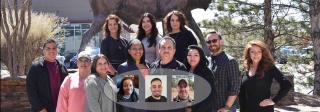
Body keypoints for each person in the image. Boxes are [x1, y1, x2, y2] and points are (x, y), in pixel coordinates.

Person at [239, 40, 292, 112]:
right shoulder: (245, 68)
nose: (256, 54)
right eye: (252, 52)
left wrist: (274, 100)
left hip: (264, 109)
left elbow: (287, 84)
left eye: (259, 52)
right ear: (248, 53)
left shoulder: (269, 67)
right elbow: (242, 94)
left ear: (262, 53)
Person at [27, 39, 68, 112]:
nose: (51, 51)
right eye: (48, 48)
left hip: (60, 108)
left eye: (54, 48)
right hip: (42, 109)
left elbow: (67, 89)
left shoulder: (62, 68)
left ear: (57, 50)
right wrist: (40, 108)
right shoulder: (36, 68)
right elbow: (31, 90)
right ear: (43, 50)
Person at [206, 31, 241, 112]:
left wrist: (227, 107)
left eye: (214, 40)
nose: (212, 43)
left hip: (226, 109)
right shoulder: (208, 61)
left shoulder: (230, 61)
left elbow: (235, 87)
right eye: (209, 41)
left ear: (221, 41)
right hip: (211, 107)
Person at [185, 45, 215, 112]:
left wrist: (192, 109)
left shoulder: (207, 73)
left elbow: (209, 98)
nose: (192, 58)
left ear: (200, 56)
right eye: (189, 55)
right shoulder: (184, 70)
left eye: (196, 55)